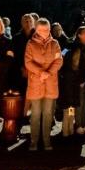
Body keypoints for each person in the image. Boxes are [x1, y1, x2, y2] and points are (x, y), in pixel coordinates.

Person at [24, 18, 62, 151]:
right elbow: (28, 62)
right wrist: (41, 72)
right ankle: (34, 141)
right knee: (35, 114)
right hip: (36, 83)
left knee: (47, 114)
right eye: (40, 30)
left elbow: (58, 61)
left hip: (50, 83)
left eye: (46, 30)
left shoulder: (55, 44)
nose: (43, 32)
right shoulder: (30, 44)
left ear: (49, 29)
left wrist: (49, 72)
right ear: (36, 30)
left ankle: (47, 140)